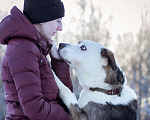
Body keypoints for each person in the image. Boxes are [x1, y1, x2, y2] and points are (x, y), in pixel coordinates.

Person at [0, 0, 73, 119]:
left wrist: (58, 61)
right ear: (43, 19)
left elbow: (64, 96)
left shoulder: (33, 47)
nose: (60, 28)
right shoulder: (24, 49)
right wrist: (70, 115)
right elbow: (36, 110)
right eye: (58, 21)